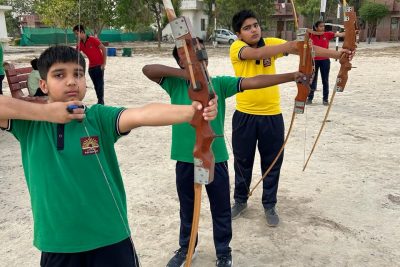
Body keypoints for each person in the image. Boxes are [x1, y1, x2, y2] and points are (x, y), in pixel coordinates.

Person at [0, 45, 218, 267]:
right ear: (43, 85)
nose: (71, 81)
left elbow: (141, 114)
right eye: (59, 75)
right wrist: (46, 113)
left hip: (110, 239)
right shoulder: (29, 125)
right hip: (58, 243)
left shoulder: (98, 117)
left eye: (78, 74)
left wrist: (192, 111)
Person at [142, 39, 306, 267]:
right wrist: (186, 74)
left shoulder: (218, 84)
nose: (199, 54)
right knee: (187, 207)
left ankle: (223, 251)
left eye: (200, 50)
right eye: (189, 53)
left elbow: (254, 81)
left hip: (214, 158)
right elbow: (148, 70)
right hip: (185, 158)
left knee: (220, 207)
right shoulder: (176, 84)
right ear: (181, 61)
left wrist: (291, 76)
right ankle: (186, 248)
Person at [229, 10, 354, 227]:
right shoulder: (237, 48)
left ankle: (269, 204)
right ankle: (240, 200)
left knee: (273, 161)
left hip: (272, 116)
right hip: (245, 115)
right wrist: (290, 46)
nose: (254, 30)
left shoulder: (271, 43)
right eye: (247, 28)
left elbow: (307, 49)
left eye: (256, 25)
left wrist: (338, 54)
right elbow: (258, 54)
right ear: (239, 34)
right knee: (242, 161)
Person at [306, 21, 346, 105]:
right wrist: (312, 31)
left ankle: (325, 99)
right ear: (316, 27)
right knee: (312, 79)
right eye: (320, 26)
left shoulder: (327, 34)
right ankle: (310, 98)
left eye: (323, 26)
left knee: (325, 80)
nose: (322, 28)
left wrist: (350, 31)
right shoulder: (311, 35)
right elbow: (302, 33)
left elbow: (341, 35)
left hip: (325, 60)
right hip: (313, 60)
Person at [73, 24, 107, 105]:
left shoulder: (92, 39)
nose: (76, 35)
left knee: (100, 85)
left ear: (81, 32)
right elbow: (75, 54)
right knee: (96, 86)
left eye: (76, 33)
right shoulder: (80, 44)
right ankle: (100, 101)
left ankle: (101, 102)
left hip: (99, 66)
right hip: (91, 68)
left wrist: (104, 63)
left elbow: (103, 48)